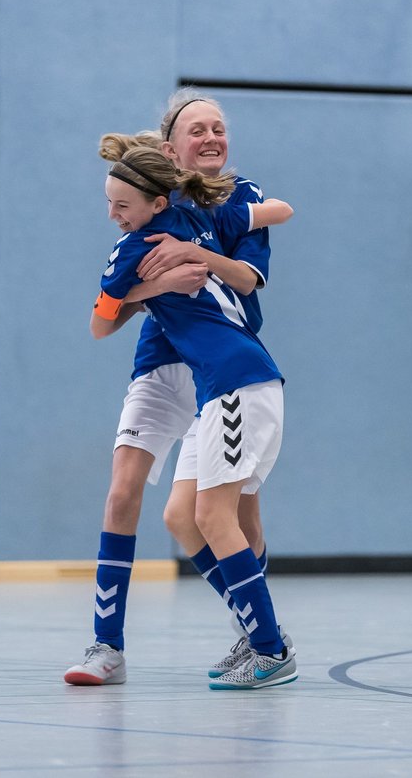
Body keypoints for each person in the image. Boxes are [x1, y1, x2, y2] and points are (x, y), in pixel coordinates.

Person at [64, 92, 294, 687]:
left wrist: (200, 255)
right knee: (139, 500)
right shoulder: (144, 216)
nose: (213, 136)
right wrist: (150, 286)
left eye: (220, 126)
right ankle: (106, 646)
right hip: (171, 357)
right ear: (171, 149)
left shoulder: (230, 201)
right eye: (198, 129)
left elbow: (264, 247)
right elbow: (103, 319)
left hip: (228, 362)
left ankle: (261, 638)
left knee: (232, 513)